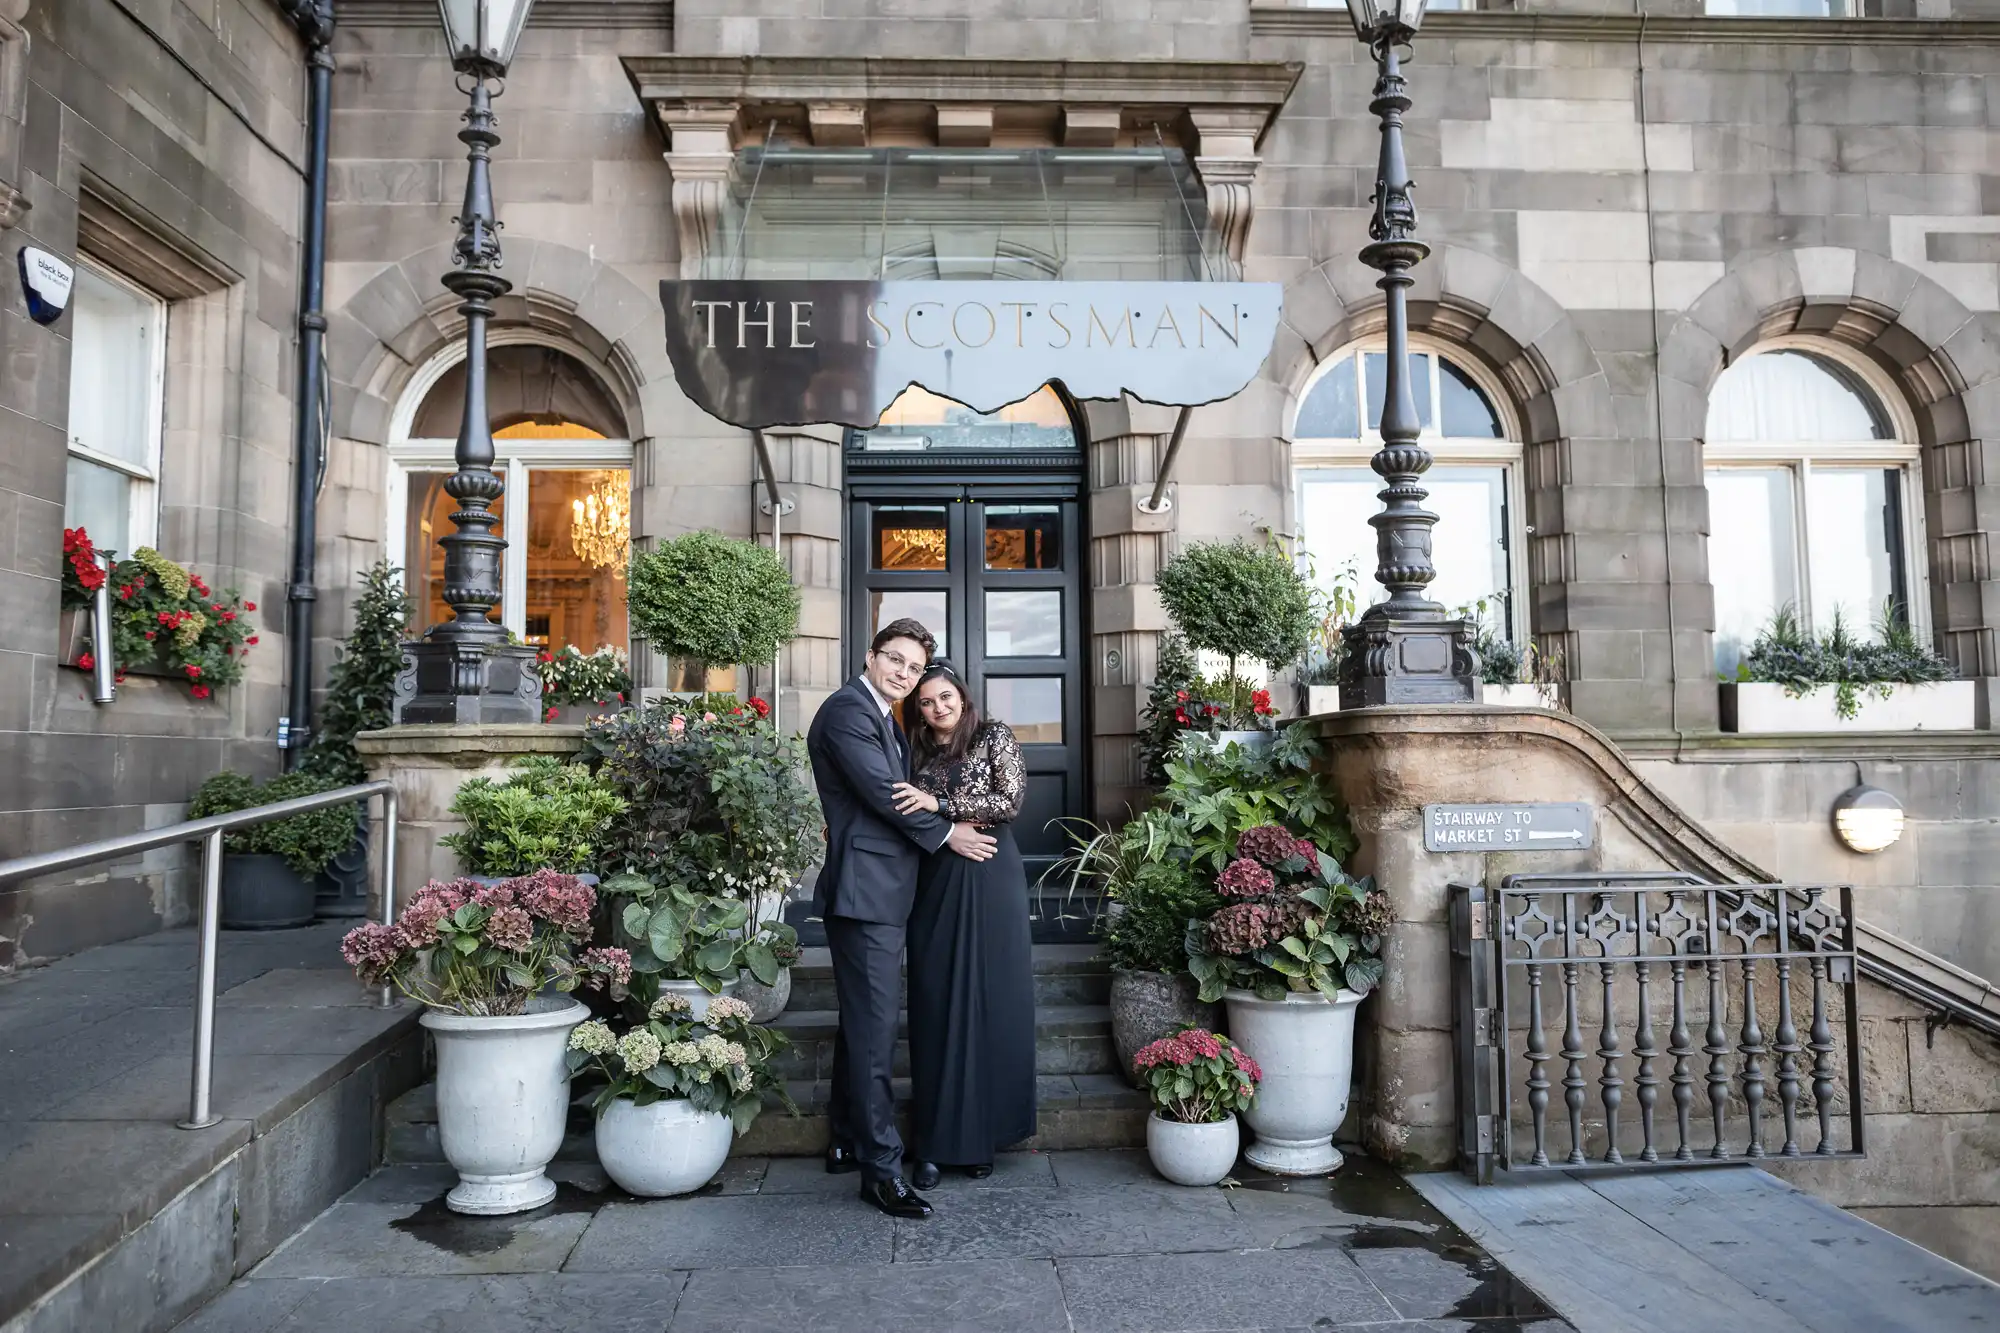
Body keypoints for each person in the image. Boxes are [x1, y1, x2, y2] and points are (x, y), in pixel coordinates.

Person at [805, 618, 997, 1220]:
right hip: (867, 896)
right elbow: (886, 794)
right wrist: (949, 834)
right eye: (896, 659)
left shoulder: (885, 716)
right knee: (875, 1035)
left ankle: (845, 1137)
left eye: (914, 669)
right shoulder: (847, 712)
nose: (904, 673)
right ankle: (881, 1172)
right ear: (870, 655)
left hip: (884, 894)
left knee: (863, 1027)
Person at [892, 658, 1038, 1187]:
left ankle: (985, 1136)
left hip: (992, 874)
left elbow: (1010, 800)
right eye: (927, 702)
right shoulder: (914, 746)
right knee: (937, 1004)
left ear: (962, 695)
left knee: (993, 1002)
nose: (938, 709)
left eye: (945, 698)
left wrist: (939, 802)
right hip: (935, 879)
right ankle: (933, 1143)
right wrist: (947, 820)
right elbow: (903, 810)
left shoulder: (995, 735)